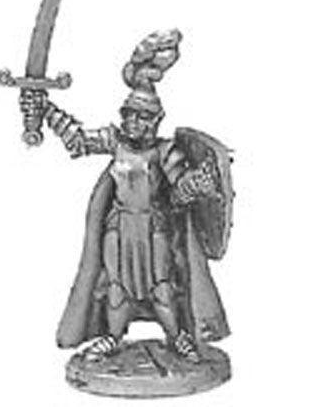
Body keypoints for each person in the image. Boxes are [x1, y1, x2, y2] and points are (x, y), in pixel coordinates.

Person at [25, 29, 233, 362]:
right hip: (118, 227)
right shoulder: (114, 141)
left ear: (156, 119)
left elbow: (180, 189)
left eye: (143, 117)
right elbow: (77, 139)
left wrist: (200, 183)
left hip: (154, 228)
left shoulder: (166, 152)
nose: (135, 122)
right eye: (130, 115)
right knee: (116, 286)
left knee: (162, 286)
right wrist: (45, 108)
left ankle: (177, 337)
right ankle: (112, 336)